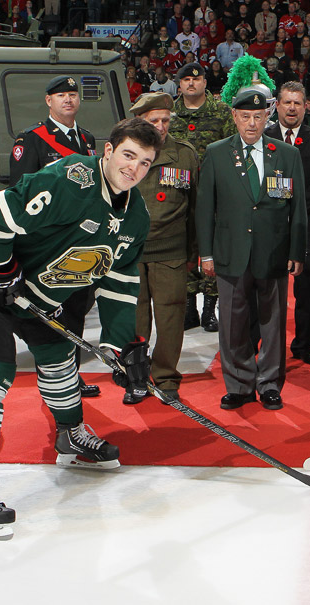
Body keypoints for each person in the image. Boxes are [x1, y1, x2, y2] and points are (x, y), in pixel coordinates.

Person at [0, 118, 160, 540]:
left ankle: (71, 436)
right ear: (108, 151)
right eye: (128, 155)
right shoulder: (69, 179)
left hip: (27, 289)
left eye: (145, 162)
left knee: (58, 354)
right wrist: (1, 270)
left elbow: (120, 280)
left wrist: (120, 346)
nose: (134, 168)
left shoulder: (136, 217)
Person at [196, 87, 307, 411]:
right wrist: (206, 253)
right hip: (230, 252)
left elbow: (298, 209)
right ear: (234, 116)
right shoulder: (217, 153)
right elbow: (205, 208)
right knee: (232, 323)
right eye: (245, 117)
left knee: (273, 324)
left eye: (258, 117)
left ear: (267, 117)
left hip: (273, 253)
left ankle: (270, 384)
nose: (252, 124)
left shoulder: (286, 154)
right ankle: (239, 385)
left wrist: (296, 252)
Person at [10, 75, 102, 398]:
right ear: (48, 101)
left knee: (77, 310)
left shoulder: (87, 139)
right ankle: (54, 377)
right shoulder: (31, 139)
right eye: (61, 95)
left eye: (73, 94)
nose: (68, 99)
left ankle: (71, 377)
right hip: (48, 244)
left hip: (81, 241)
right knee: (50, 313)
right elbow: (21, 194)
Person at [129, 92, 199, 405]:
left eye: (165, 120)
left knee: (171, 318)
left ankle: (166, 378)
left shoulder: (184, 154)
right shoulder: (124, 152)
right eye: (154, 120)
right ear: (139, 121)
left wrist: (195, 251)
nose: (160, 126)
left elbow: (195, 207)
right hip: (131, 253)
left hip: (171, 251)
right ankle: (135, 377)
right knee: (133, 319)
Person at [264, 82, 310, 366]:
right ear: (277, 105)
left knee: (308, 290)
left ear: (306, 107)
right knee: (266, 288)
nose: (292, 108)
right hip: (269, 225)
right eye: (287, 102)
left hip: (307, 225)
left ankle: (304, 345)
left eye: (297, 103)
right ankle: (266, 345)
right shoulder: (262, 137)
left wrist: (295, 206)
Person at [169, 62, 236, 333]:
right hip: (179, 193)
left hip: (214, 192)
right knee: (184, 249)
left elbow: (232, 149)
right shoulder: (170, 113)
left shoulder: (221, 112)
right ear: (179, 84)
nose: (191, 83)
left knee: (212, 250)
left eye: (196, 79)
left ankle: (210, 309)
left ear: (205, 83)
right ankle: (189, 310)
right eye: (186, 79)